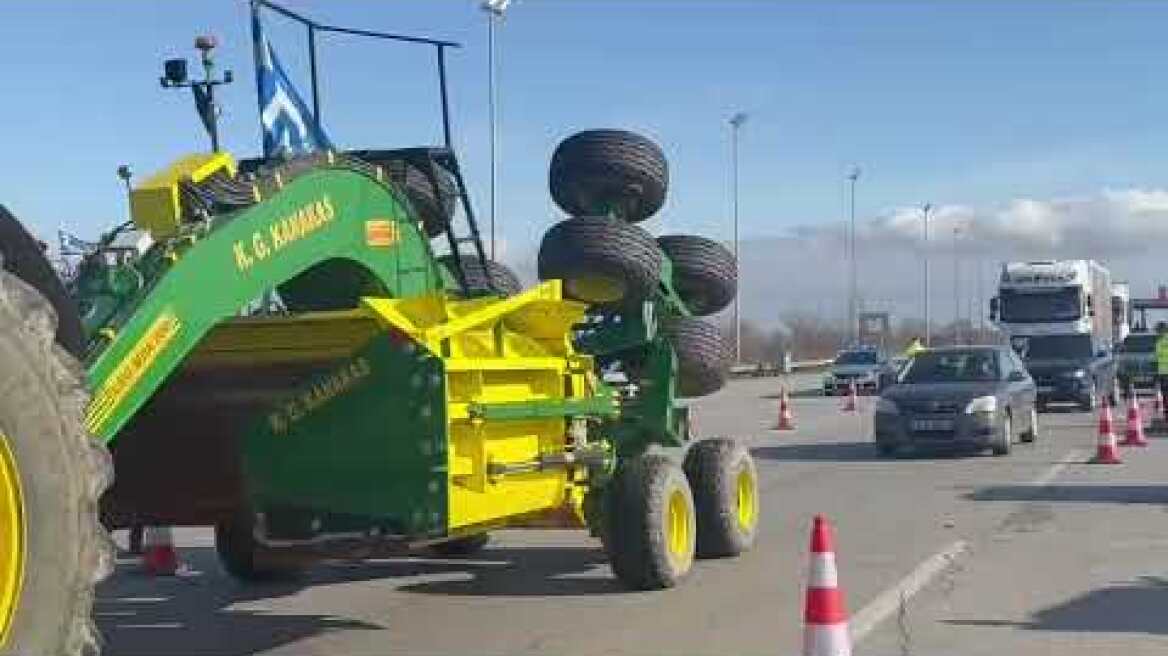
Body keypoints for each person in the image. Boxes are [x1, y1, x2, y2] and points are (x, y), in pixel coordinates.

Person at [1156, 322, 1168, 421]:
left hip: (1164, 372)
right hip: (1163, 372)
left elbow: (1157, 356)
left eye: (1158, 330)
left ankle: (1166, 415)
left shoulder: (1159, 342)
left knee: (1165, 394)